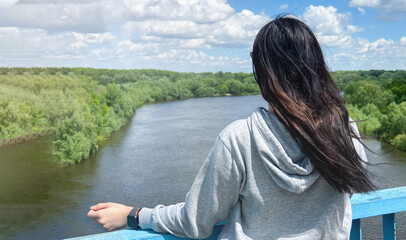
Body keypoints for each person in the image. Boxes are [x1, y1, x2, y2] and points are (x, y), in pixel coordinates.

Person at [87, 16, 374, 239]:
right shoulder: (345, 131)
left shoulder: (240, 139)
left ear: (262, 72)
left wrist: (134, 215)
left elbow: (196, 222)